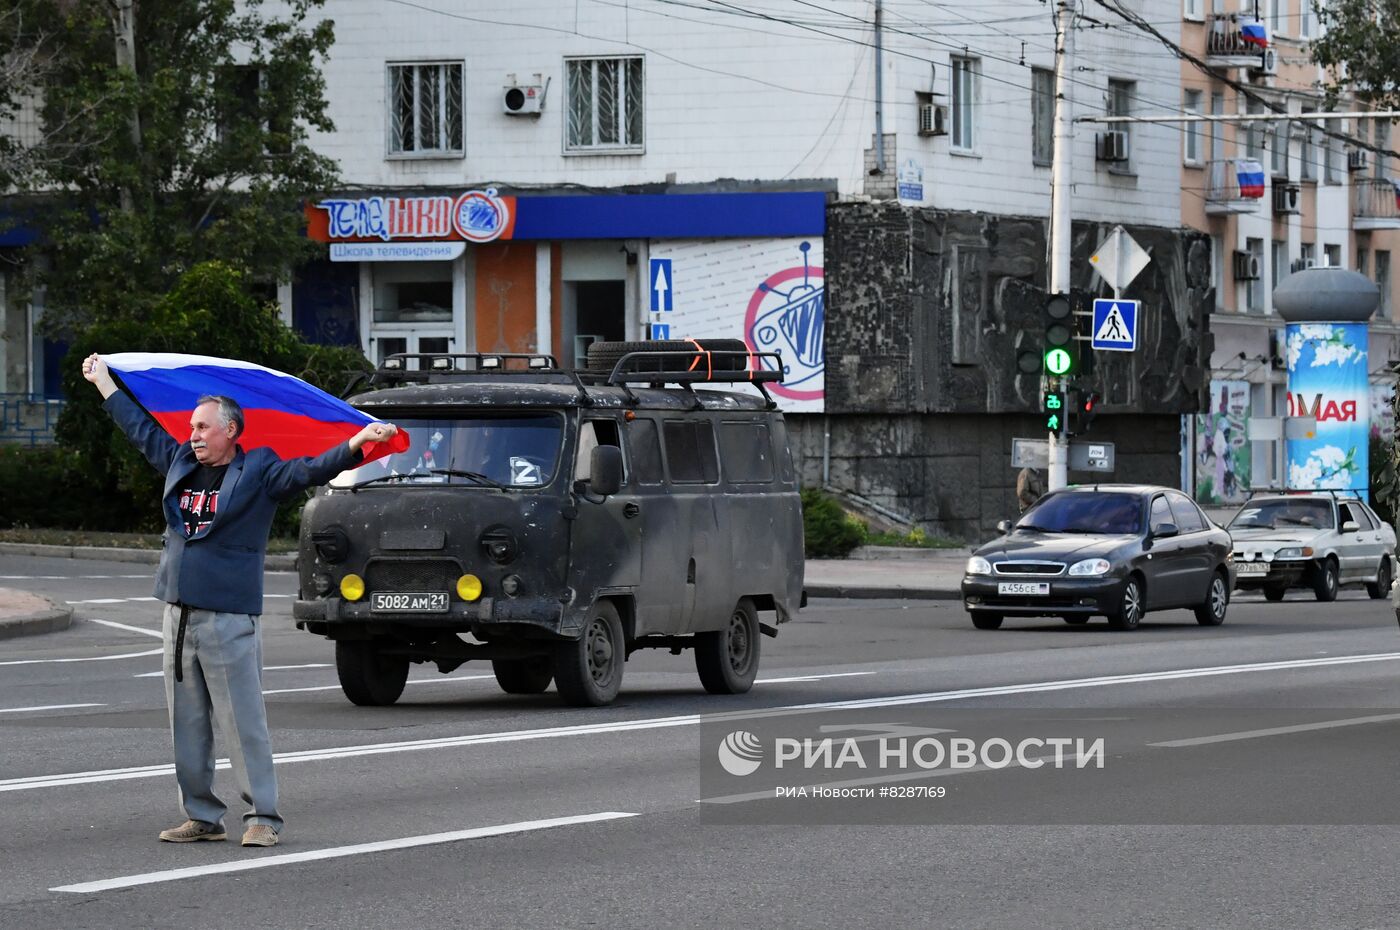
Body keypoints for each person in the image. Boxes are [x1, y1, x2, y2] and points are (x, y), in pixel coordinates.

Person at [82, 353, 398, 849]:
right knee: (185, 724)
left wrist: (359, 442)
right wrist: (104, 383)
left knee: (241, 722)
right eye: (191, 426)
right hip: (178, 612)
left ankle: (264, 816)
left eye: (204, 427)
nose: (194, 434)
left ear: (231, 431)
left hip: (228, 616)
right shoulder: (180, 462)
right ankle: (202, 815)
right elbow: (139, 430)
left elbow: (311, 470)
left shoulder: (259, 471)